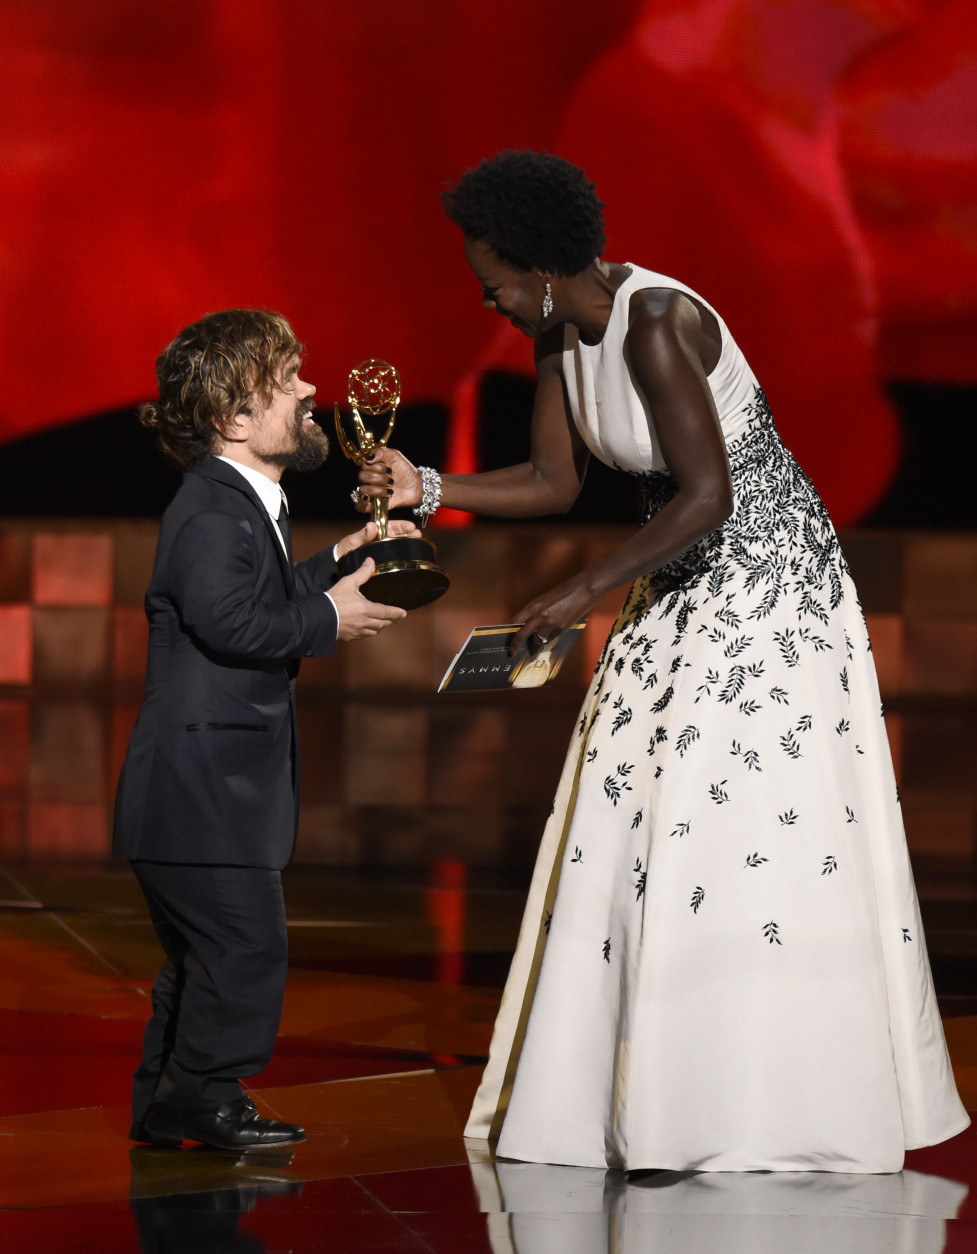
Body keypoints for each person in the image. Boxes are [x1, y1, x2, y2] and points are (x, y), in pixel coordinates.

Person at [357, 151, 969, 1172]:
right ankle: (646, 1094)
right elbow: (555, 480)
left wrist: (580, 591)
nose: (493, 303)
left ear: (541, 266)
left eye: (494, 284)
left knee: (731, 822)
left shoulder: (655, 322)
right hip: (676, 574)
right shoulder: (560, 333)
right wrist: (426, 483)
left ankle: (763, 1103)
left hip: (767, 587)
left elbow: (706, 495)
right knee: (627, 808)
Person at [115, 309, 415, 1151]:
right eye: (287, 381)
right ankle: (204, 1098)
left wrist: (340, 561)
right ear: (235, 419)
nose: (311, 390)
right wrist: (328, 614)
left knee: (208, 960)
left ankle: (170, 1099)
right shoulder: (213, 510)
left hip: (204, 795)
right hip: (199, 793)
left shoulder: (245, 506)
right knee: (244, 947)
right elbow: (228, 623)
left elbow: (255, 601)